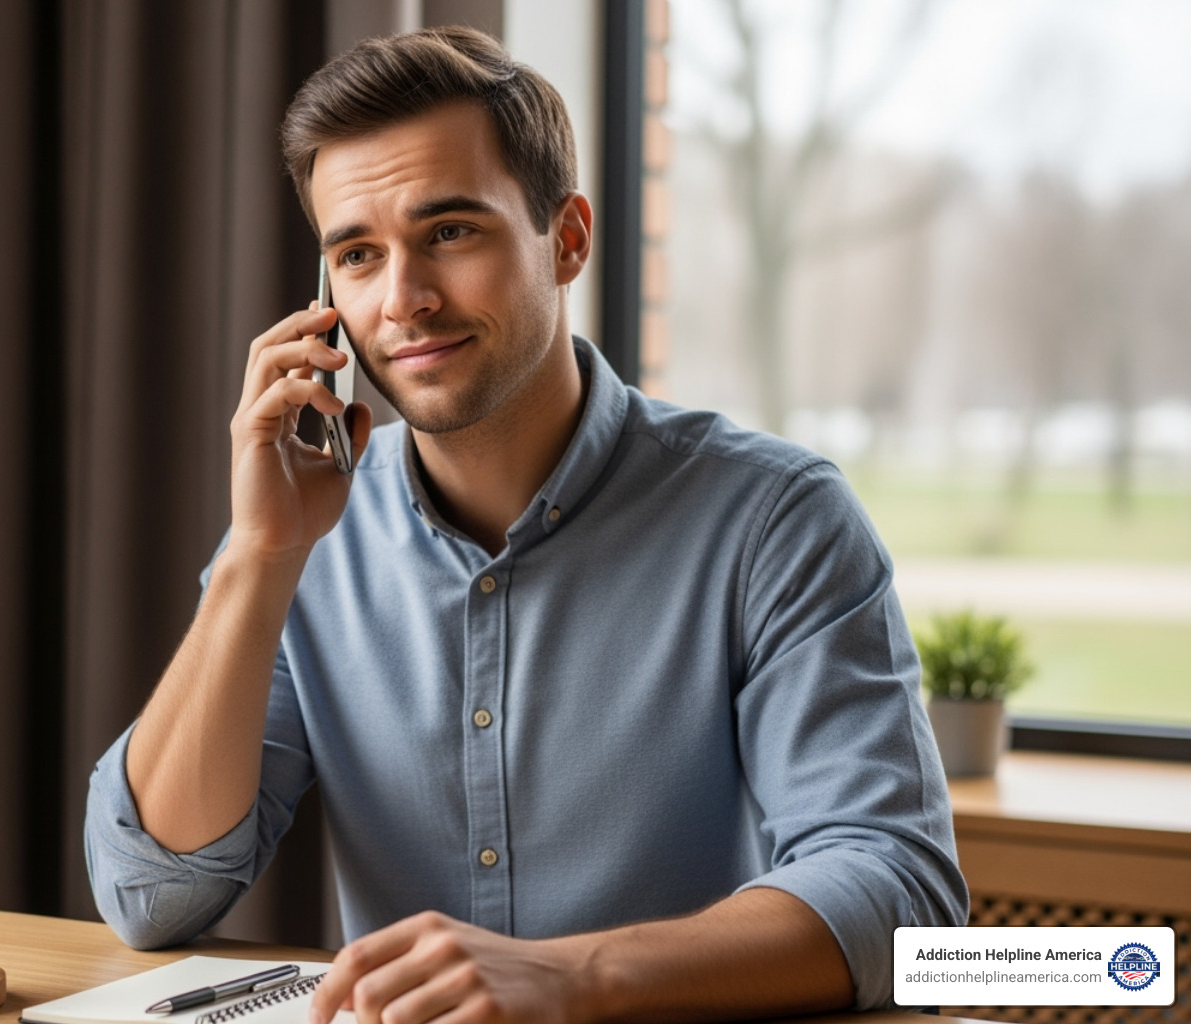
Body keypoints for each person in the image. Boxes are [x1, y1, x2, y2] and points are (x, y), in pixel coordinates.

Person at [85, 26, 966, 1024]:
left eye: (451, 232)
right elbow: (150, 896)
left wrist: (571, 977)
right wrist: (257, 556)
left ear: (570, 238)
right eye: (359, 255)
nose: (405, 299)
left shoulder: (776, 520)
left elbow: (900, 894)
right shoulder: (303, 538)